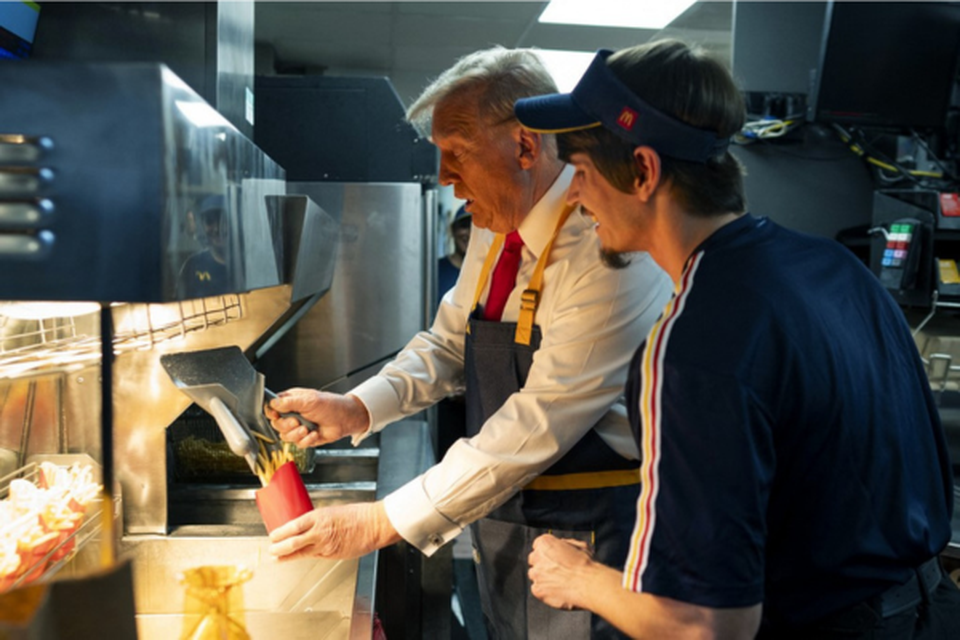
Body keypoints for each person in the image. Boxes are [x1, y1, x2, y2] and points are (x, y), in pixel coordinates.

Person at [516, 39, 960, 638]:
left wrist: (583, 578)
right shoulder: (832, 265)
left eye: (585, 173)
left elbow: (705, 625)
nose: (573, 194)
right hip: (932, 610)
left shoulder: (692, 343)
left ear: (644, 171)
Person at [265, 46, 674, 638]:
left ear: (525, 148)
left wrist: (383, 520)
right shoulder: (500, 222)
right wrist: (358, 406)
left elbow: (537, 422)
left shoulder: (607, 251)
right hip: (503, 516)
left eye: (457, 155)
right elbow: (448, 342)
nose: (444, 180)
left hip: (588, 531)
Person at [176, 194, 230, 298]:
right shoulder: (192, 265)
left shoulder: (245, 265)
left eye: (221, 220)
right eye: (209, 221)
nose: (216, 229)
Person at [437, 204, 472, 306]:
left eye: (476, 227)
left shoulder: (488, 273)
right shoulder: (435, 271)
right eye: (464, 226)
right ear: (453, 230)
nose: (470, 233)